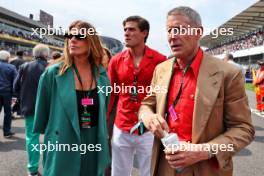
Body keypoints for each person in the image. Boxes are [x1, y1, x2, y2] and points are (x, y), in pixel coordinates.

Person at [138, 6, 254, 176]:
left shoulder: (228, 73)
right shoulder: (160, 70)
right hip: (165, 166)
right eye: (169, 31)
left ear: (198, 32)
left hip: (206, 168)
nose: (172, 36)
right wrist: (148, 117)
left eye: (179, 29)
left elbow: (244, 129)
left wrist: (204, 151)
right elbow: (146, 105)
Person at [33, 20, 110, 176]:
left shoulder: (102, 75)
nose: (72, 40)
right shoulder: (52, 73)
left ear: (91, 41)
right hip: (62, 142)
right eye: (69, 35)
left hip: (93, 143)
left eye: (79, 36)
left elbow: (104, 110)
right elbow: (42, 114)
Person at [108, 16, 166, 176]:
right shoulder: (115, 61)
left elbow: (165, 94)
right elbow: (110, 93)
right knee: (119, 172)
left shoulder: (160, 60)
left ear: (144, 33)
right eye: (125, 29)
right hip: (122, 125)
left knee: (149, 172)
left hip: (149, 128)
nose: (126, 33)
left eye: (132, 29)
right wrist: (105, 121)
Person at [13, 44, 49, 176]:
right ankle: (50, 168)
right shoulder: (51, 67)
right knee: (51, 138)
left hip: (30, 107)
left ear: (34, 54)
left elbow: (15, 86)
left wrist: (21, 98)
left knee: (31, 138)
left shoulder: (24, 66)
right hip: (49, 108)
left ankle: (32, 169)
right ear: (46, 55)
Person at [0, 50, 17, 138]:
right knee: (8, 113)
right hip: (7, 92)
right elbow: (16, 81)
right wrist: (15, 94)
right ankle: (6, 131)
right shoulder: (12, 67)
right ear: (7, 58)